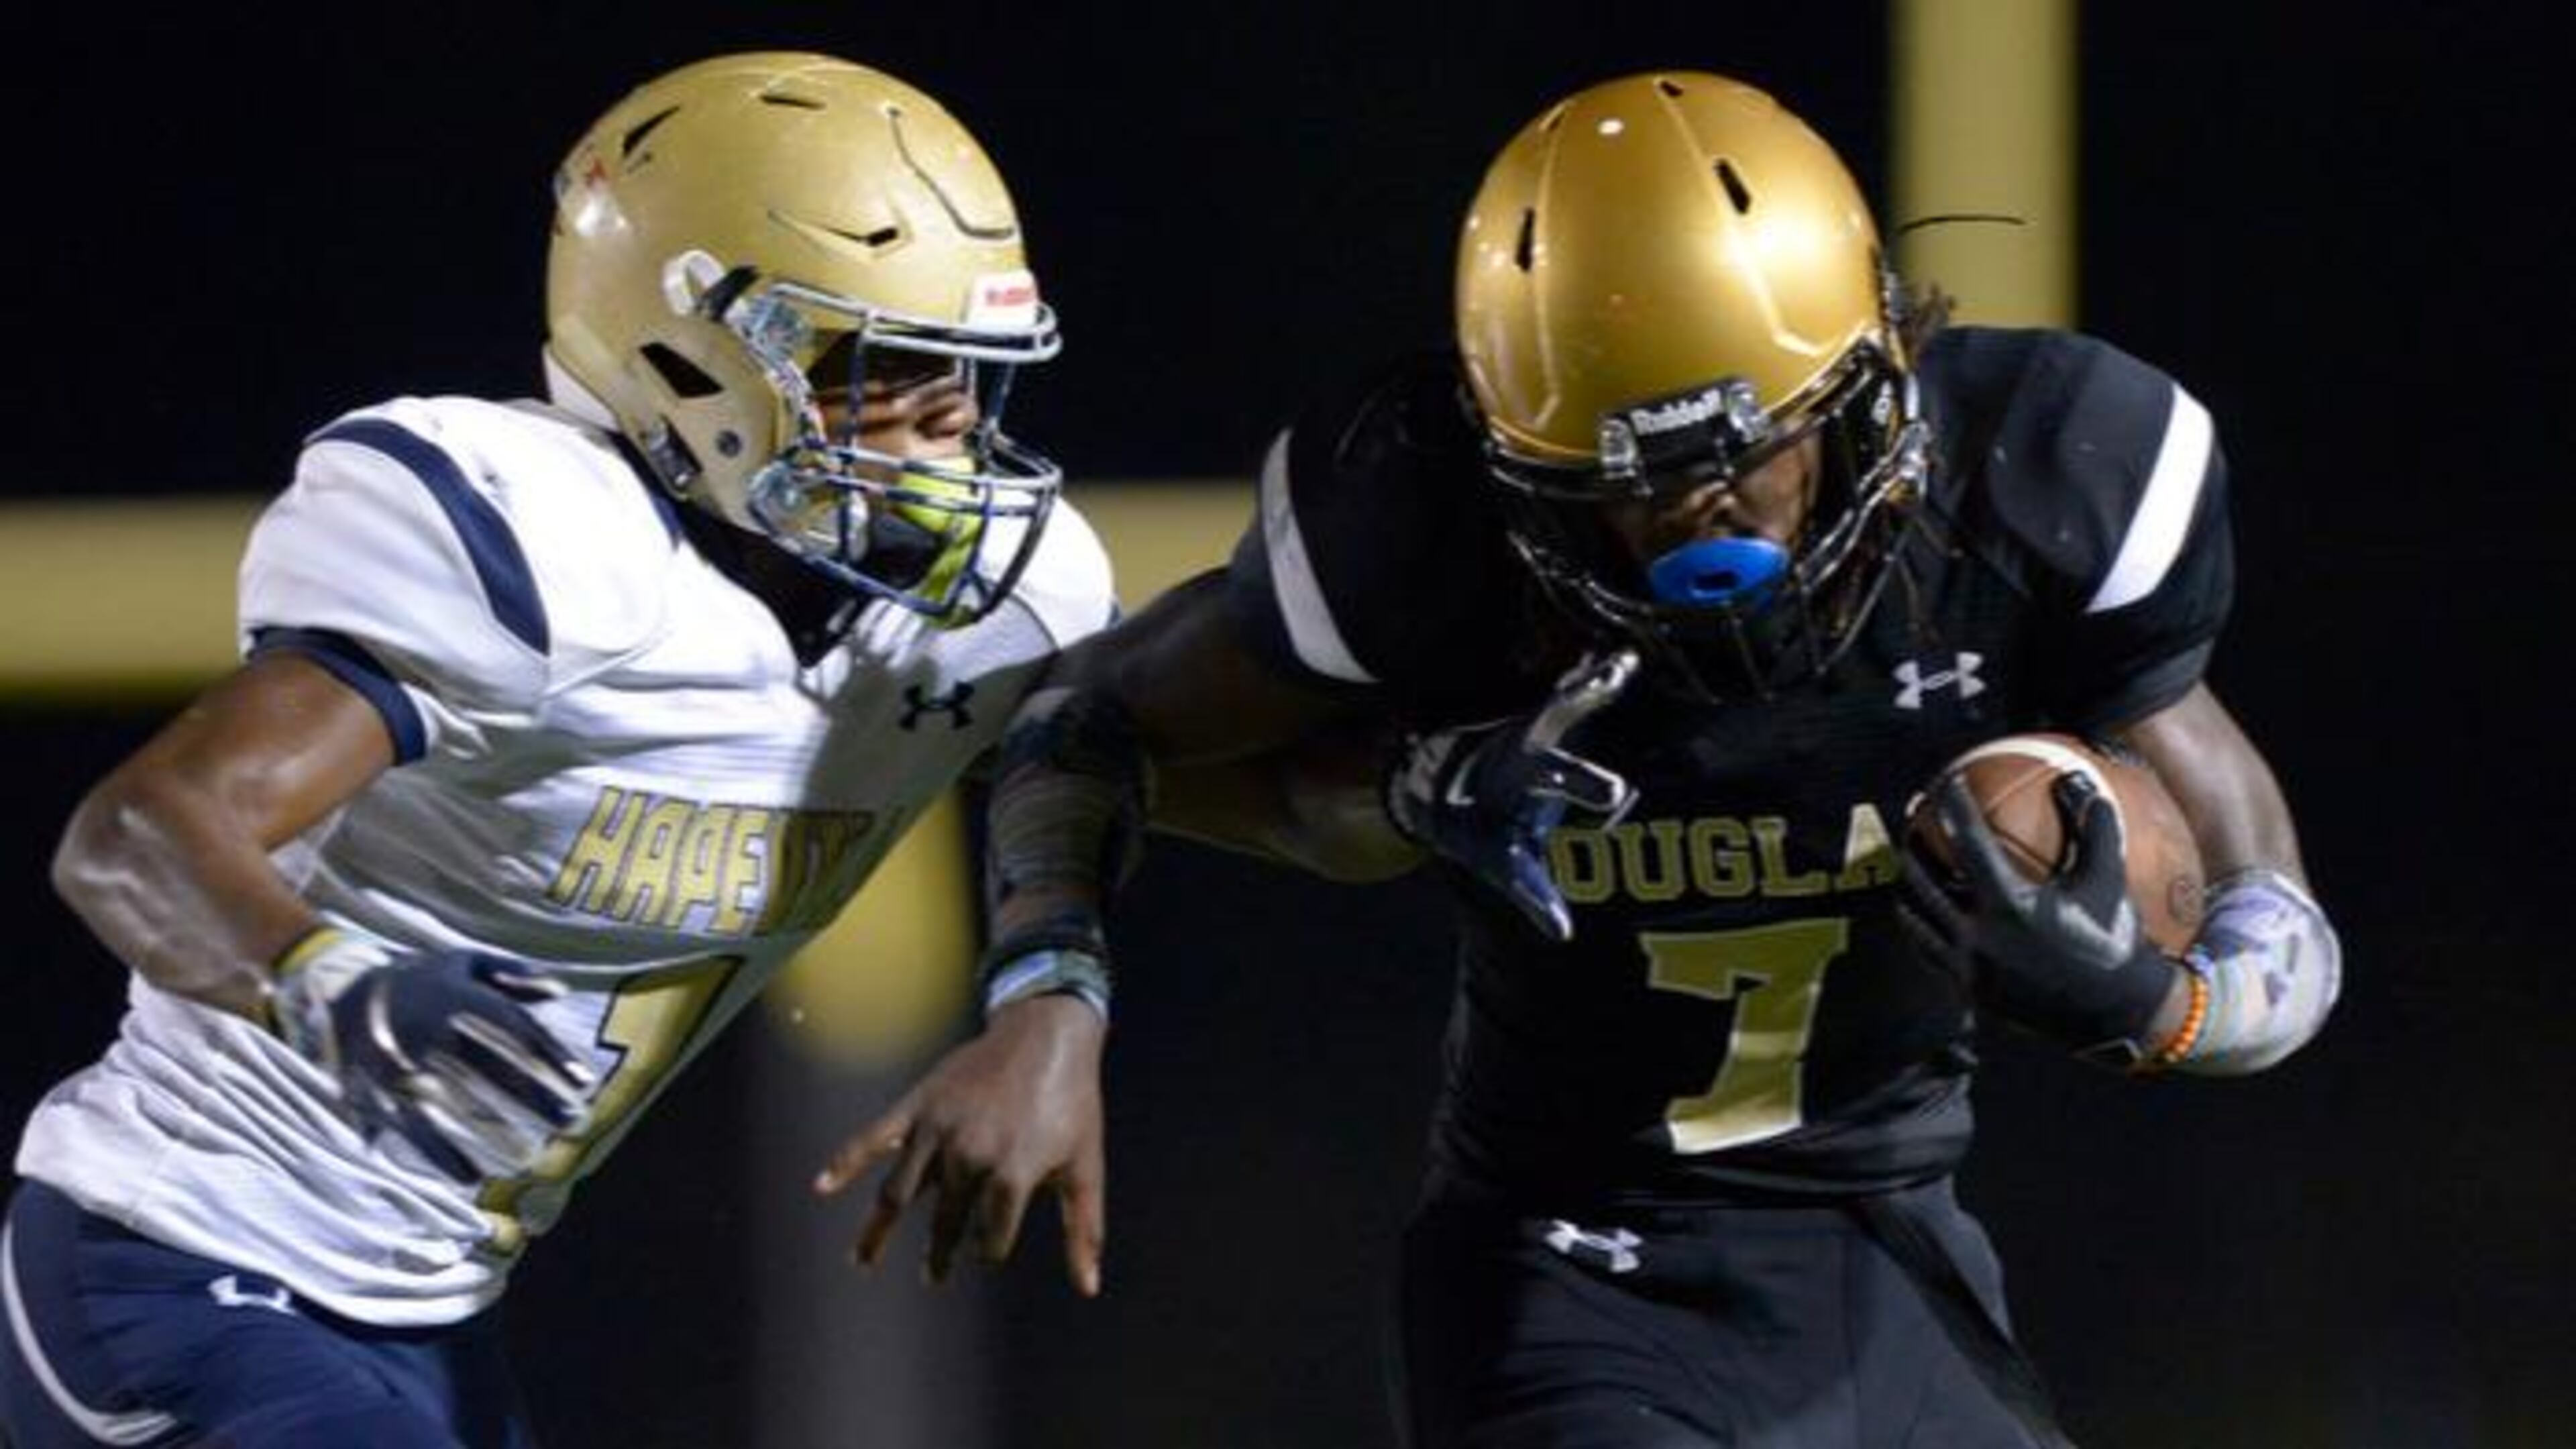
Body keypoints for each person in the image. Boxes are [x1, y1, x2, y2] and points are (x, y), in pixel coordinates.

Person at [852, 72, 2344, 1448]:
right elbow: (1079, 717)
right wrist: (1052, 1000)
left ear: (1867, 382)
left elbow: (2278, 918)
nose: (1688, 528)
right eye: (1611, 491)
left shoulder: (2040, 482)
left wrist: (2165, 1002)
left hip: (1890, 1247)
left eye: (1735, 457)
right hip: (1572, 1271)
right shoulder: (1426, 525)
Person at [0, 52, 1116, 1448]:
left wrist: (1051, 1000)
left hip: (435, 1317)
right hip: (173, 1261)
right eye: (878, 366)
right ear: (684, 353)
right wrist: (328, 985)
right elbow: (136, 834)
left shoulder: (988, 615)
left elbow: (1093, 745)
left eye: (965, 370)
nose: (948, 423)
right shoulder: (538, 542)